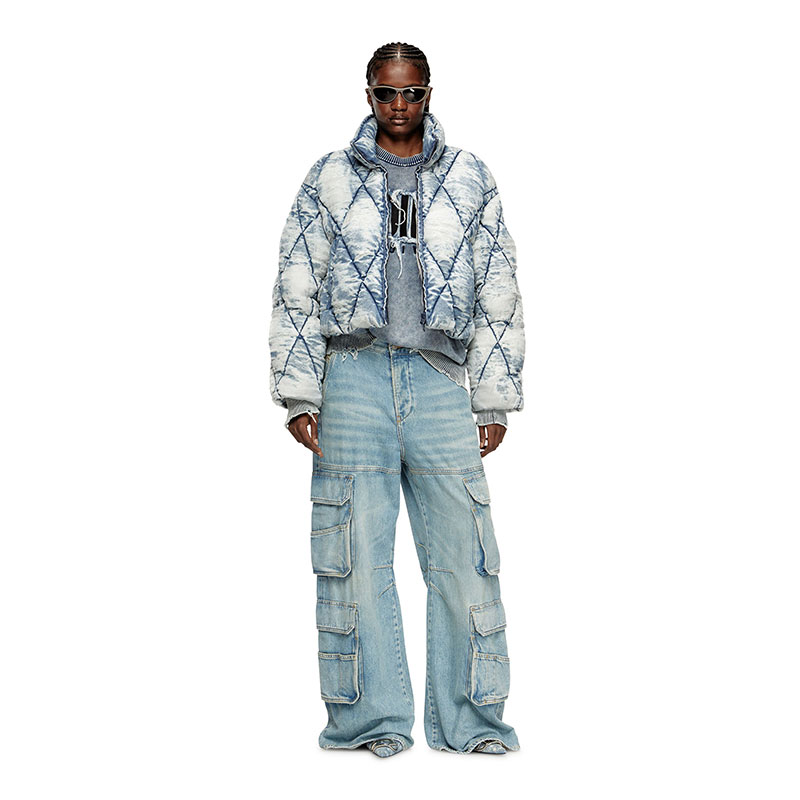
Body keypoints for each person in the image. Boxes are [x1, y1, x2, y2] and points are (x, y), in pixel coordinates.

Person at [269, 42, 525, 757]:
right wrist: (299, 392)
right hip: (350, 379)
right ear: (369, 95)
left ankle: (473, 723)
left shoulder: (469, 176)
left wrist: (492, 400)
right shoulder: (329, 177)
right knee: (351, 556)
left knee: (466, 558)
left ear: (429, 93)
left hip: (441, 380)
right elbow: (296, 281)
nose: (400, 105)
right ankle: (369, 722)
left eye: (412, 92)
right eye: (387, 93)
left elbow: (498, 285)